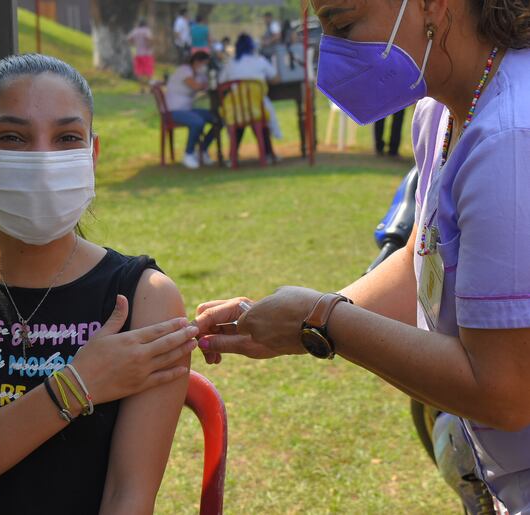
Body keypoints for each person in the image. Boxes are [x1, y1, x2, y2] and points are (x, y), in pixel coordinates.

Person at [194, 1, 530, 513]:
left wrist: (322, 321)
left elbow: (504, 393)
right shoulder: (440, 112)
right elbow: (420, 257)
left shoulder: (510, 138)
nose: (335, 53)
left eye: (345, 26)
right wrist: (299, 324)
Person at [0, 54, 198, 513]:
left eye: (67, 138)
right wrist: (77, 385)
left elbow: (128, 496)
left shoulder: (145, 297)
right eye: (13, 137)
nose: (44, 160)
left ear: (92, 155)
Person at [219, 33, 283, 164]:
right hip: (256, 108)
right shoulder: (259, 61)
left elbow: (221, 82)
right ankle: (268, 154)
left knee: (240, 122)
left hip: (235, 110)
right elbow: (276, 78)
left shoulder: (230, 63)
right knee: (261, 120)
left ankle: (232, 157)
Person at [164, 51, 217, 169]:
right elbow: (196, 86)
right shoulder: (184, 70)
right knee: (197, 122)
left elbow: (206, 85)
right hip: (173, 111)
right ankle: (188, 153)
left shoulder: (199, 74)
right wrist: (207, 84)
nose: (205, 67)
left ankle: (203, 150)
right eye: (204, 64)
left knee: (218, 118)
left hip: (187, 109)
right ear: (197, 62)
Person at [128, 19, 155, 94]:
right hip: (147, 54)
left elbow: (129, 39)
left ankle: (142, 88)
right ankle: (151, 88)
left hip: (137, 54)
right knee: (149, 72)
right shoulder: (146, 30)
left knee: (139, 72)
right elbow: (149, 38)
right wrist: (149, 45)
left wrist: (134, 44)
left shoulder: (135, 31)